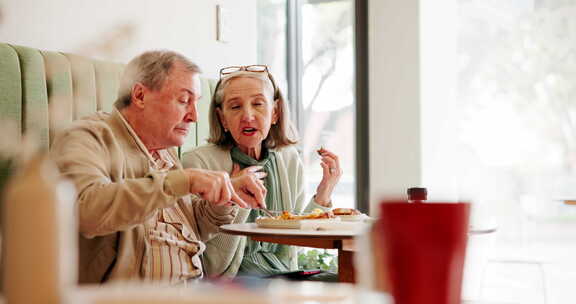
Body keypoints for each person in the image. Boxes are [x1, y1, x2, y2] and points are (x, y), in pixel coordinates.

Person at [51, 51, 266, 285]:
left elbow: (189, 229)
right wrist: (184, 181)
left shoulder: (163, 152)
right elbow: (85, 211)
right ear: (140, 95)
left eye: (196, 104)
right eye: (184, 101)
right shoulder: (88, 137)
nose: (194, 116)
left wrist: (226, 195)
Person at [182, 65, 342, 278]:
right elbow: (210, 266)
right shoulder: (197, 163)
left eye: (258, 104)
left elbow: (295, 240)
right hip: (232, 281)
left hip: (285, 274)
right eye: (235, 107)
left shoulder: (288, 158)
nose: (247, 116)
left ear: (275, 113)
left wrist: (324, 193)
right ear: (222, 119)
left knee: (353, 283)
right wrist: (233, 199)